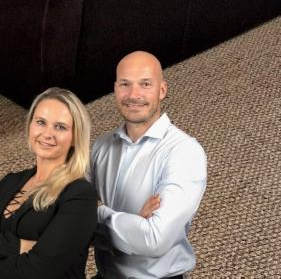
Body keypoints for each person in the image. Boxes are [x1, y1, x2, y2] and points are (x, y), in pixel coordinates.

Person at [0, 87, 100, 278]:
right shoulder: (11, 181)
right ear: (30, 125)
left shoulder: (80, 195)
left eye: (60, 127)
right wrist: (21, 246)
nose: (47, 134)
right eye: (41, 122)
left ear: (75, 137)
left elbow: (39, 271)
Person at [86, 52, 206, 279]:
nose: (134, 95)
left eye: (145, 84)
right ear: (115, 89)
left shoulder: (184, 152)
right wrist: (134, 222)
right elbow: (65, 214)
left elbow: (154, 240)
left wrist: (98, 215)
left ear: (162, 90)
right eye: (125, 84)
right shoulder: (102, 147)